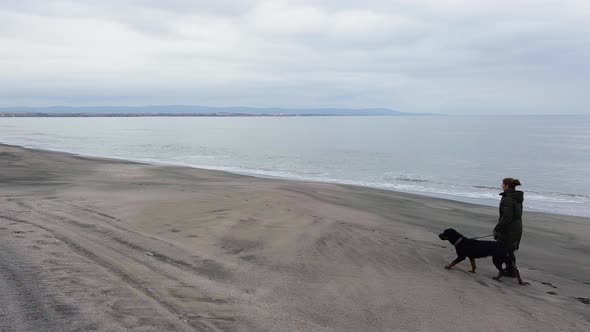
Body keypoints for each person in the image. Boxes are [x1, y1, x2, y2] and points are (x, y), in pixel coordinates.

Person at [494, 178, 523, 277]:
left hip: (509, 229)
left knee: (506, 249)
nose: (501, 186)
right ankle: (510, 269)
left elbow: (506, 217)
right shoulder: (515, 197)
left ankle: (511, 270)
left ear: (507, 186)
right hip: (516, 227)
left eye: (503, 184)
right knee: (509, 249)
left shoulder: (508, 199)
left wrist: (497, 229)